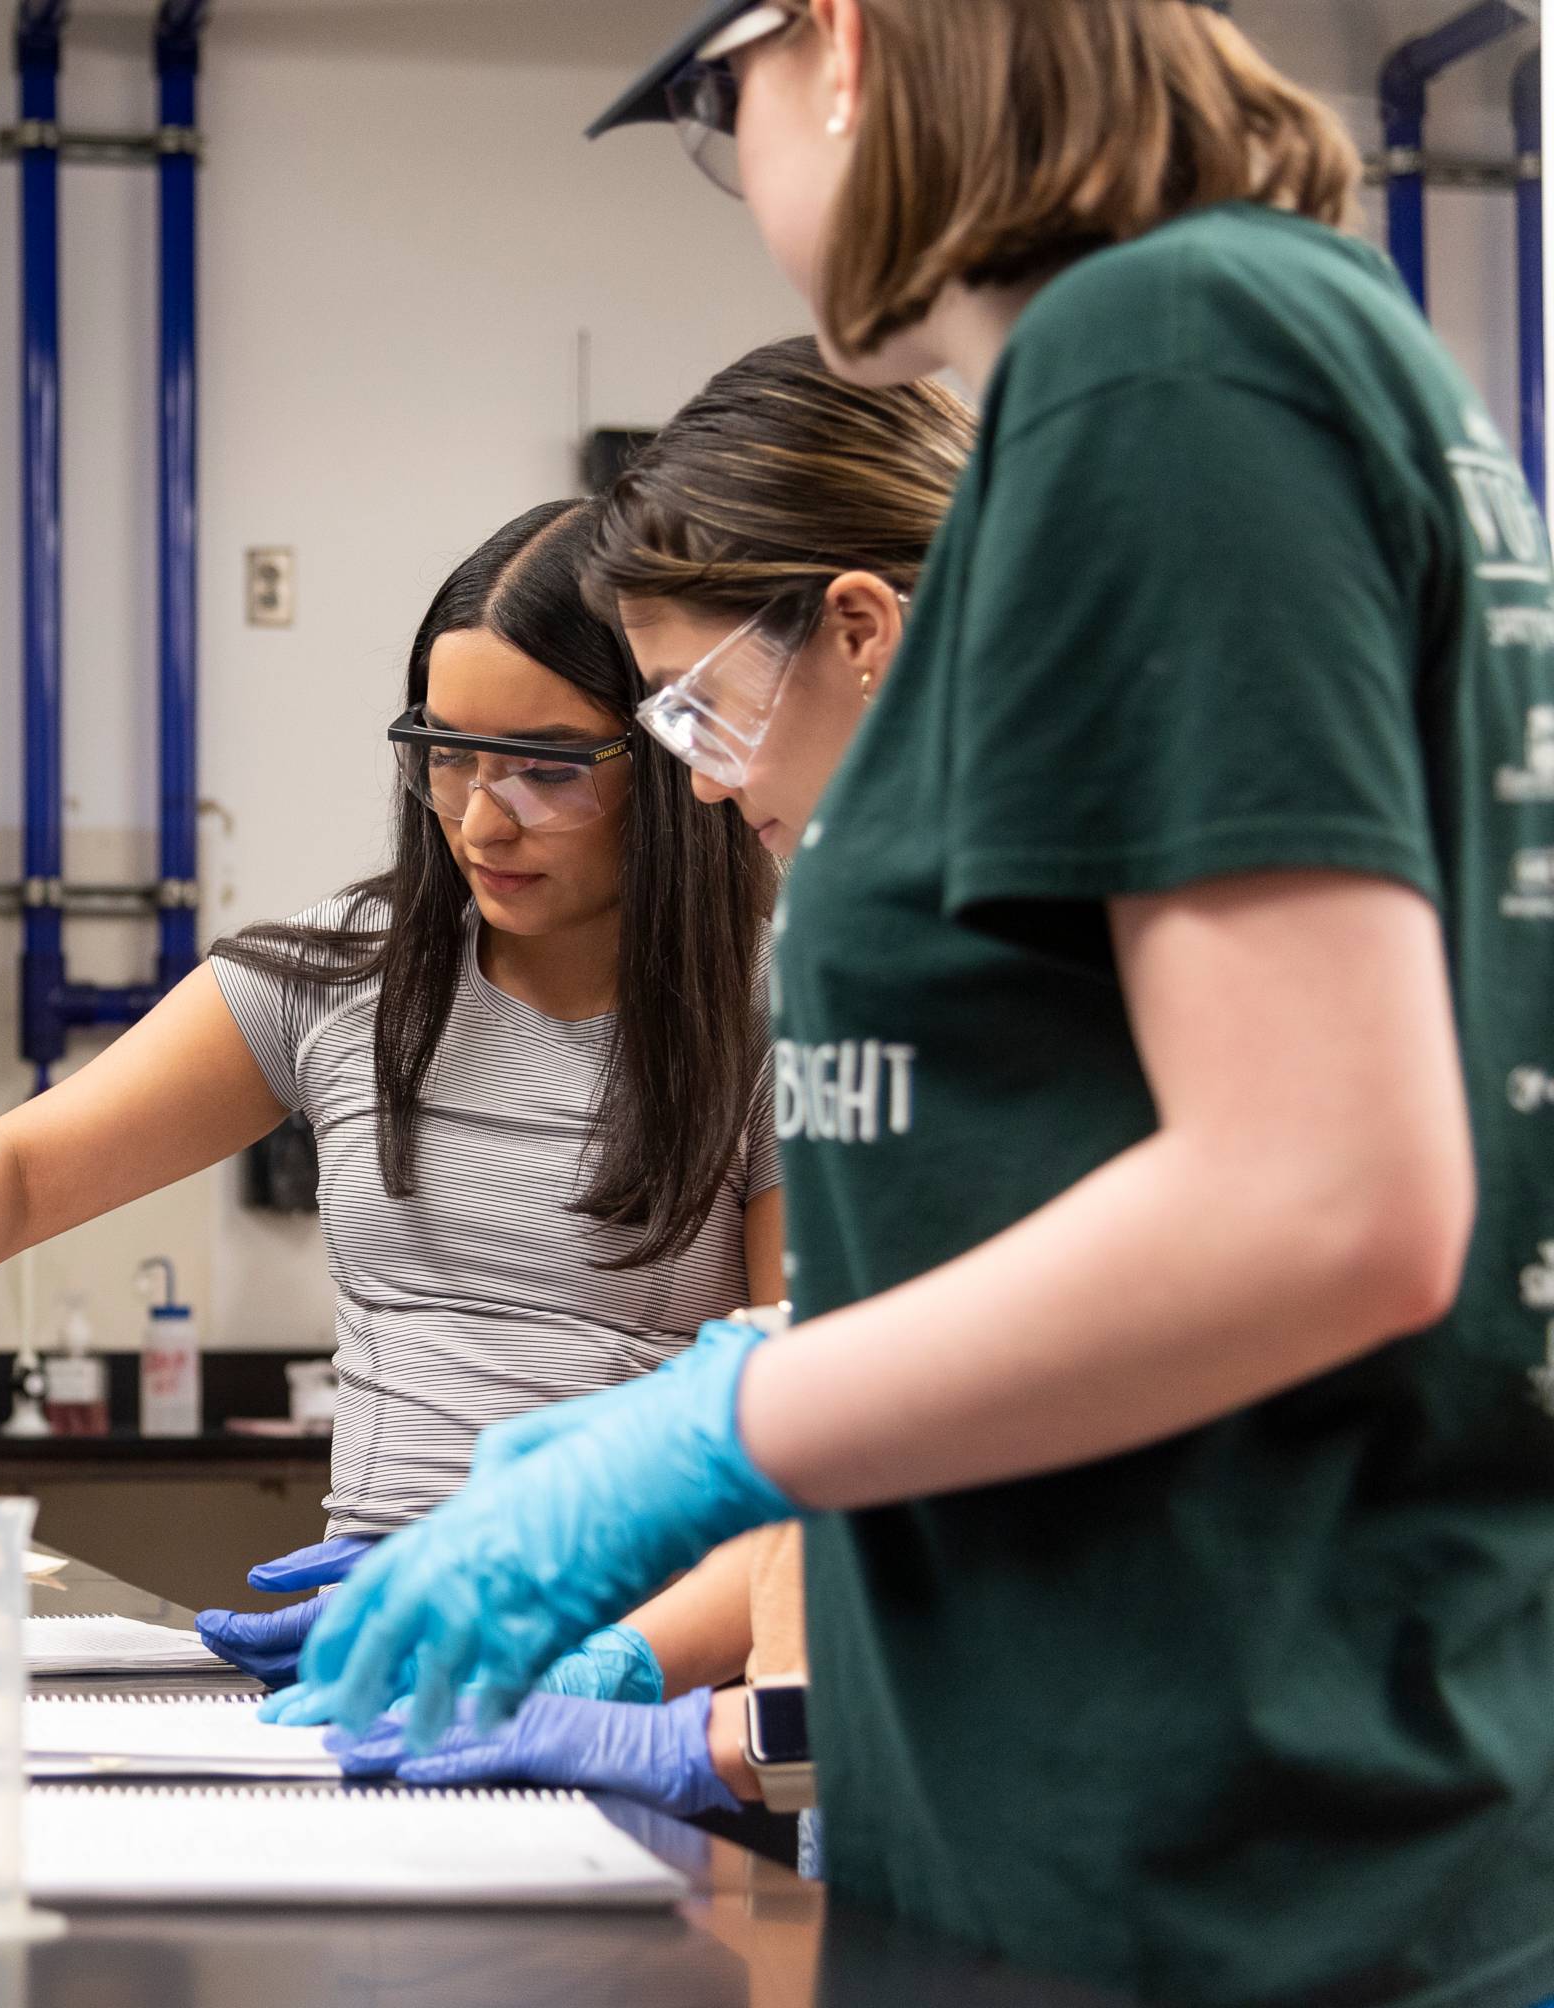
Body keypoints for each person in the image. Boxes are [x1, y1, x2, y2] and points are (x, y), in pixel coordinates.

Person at [287, 5, 1554, 2001]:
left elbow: (1327, 1196)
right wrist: (663, 1591)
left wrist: (714, 1424)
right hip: (1111, 1818)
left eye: (727, 113)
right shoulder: (1222, 356)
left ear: (849, 50)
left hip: (1228, 1863)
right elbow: (1071, 1160)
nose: (750, 183)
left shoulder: (1171, 357)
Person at [0, 500, 781, 1700]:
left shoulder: (775, 1015)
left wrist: (604, 1664)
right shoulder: (344, 976)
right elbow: (24, 1171)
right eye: (446, 752)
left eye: (546, 767)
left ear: (668, 760)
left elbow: (805, 1437)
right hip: (368, 1646)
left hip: (645, 1670)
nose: (477, 816)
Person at [329, 339, 972, 1851]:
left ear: (862, 631)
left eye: (692, 709)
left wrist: (705, 1712)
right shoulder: (874, 921)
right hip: (897, 1787)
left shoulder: (1052, 924)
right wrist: (714, 1711)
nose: (690, 777)